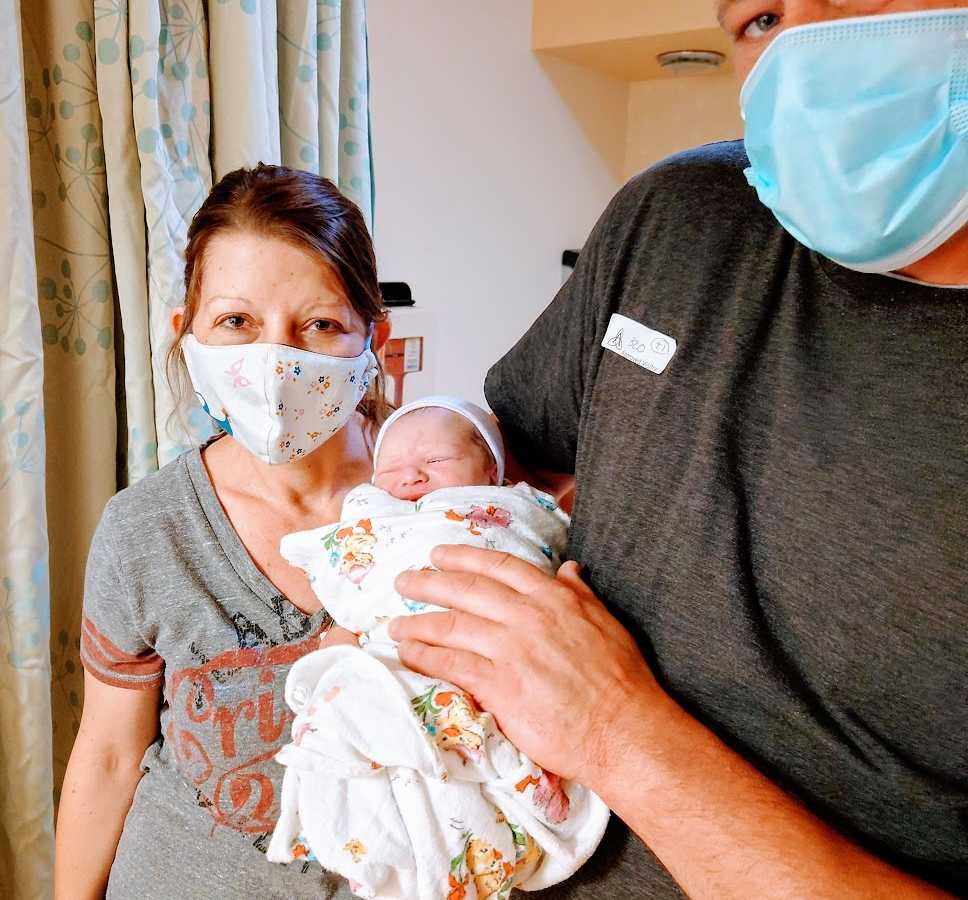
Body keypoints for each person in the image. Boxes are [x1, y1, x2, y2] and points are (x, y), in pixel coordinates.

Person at [389, 3, 968, 898]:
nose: (800, 43)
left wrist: (618, 733)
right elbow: (508, 460)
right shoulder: (674, 218)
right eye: (760, 15)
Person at [55, 165, 393, 899]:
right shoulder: (145, 529)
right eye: (237, 322)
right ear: (189, 333)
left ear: (373, 339)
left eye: (321, 324)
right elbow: (110, 754)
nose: (275, 360)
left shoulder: (442, 510)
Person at [265, 397, 609, 899]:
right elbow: (348, 567)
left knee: (504, 725)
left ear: (491, 470)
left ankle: (502, 806)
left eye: (436, 462)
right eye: (393, 468)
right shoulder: (375, 515)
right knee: (353, 712)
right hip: (398, 651)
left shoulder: (516, 509)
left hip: (493, 651)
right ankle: (386, 840)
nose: (411, 478)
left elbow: (540, 550)